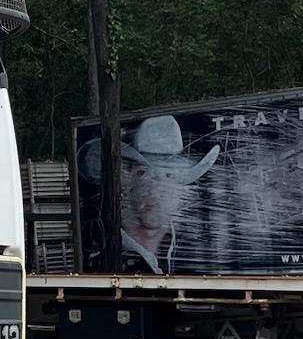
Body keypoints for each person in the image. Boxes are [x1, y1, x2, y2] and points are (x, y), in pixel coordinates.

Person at [80, 115, 219, 275]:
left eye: (168, 175)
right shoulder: (104, 248)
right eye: (143, 174)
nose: (155, 189)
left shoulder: (191, 250)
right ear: (127, 181)